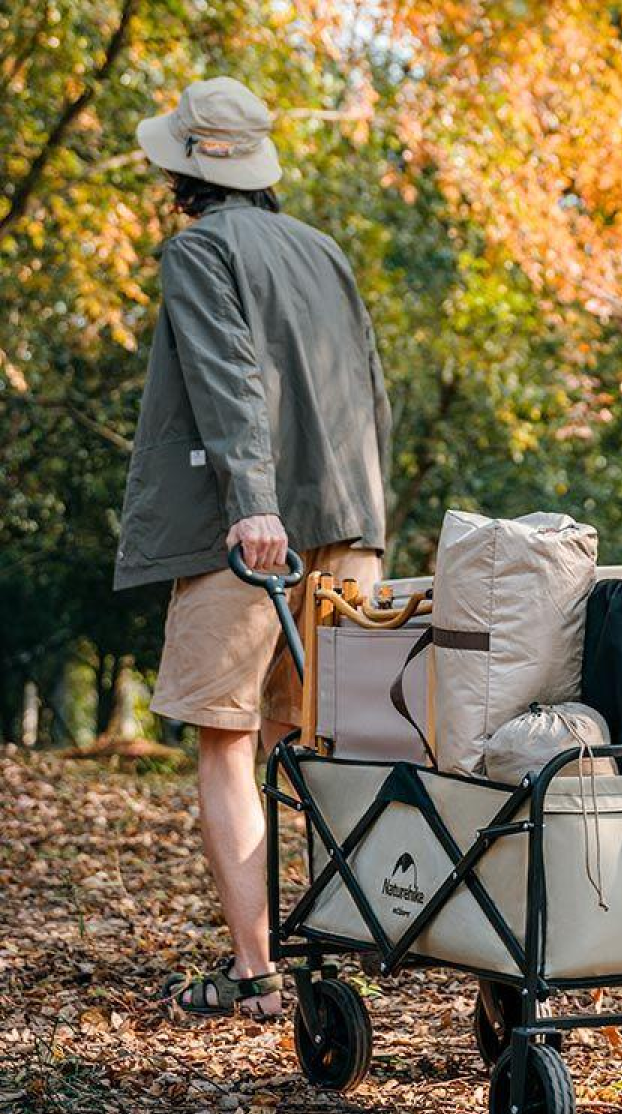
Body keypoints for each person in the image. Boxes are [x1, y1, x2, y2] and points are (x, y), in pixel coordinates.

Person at [113, 78, 391, 1016]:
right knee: (312, 742)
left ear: (183, 169)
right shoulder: (324, 250)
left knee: (227, 741)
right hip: (348, 531)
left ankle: (257, 973)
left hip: (250, 542)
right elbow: (372, 395)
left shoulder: (198, 249)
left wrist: (254, 507)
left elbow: (227, 379)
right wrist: (370, 523)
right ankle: (334, 945)